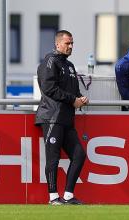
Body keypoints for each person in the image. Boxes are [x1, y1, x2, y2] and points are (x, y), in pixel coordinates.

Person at [35, 30, 88, 205]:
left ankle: (68, 196)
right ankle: (52, 197)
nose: (71, 46)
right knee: (53, 158)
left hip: (66, 118)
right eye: (67, 43)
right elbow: (48, 89)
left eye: (72, 43)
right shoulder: (49, 62)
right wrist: (73, 99)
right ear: (57, 44)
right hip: (52, 116)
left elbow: (73, 90)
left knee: (79, 155)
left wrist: (80, 98)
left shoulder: (70, 66)